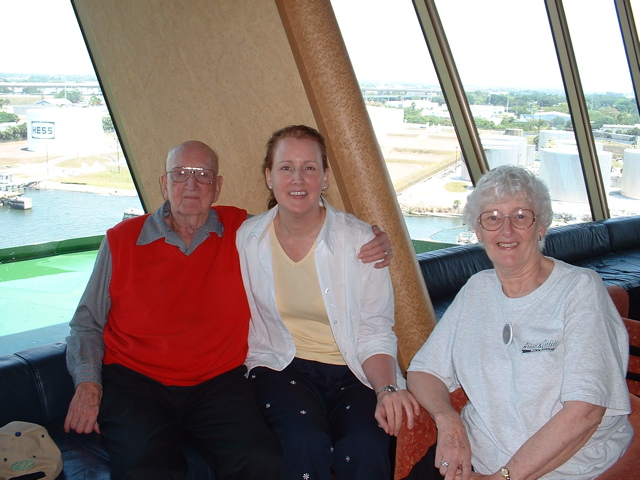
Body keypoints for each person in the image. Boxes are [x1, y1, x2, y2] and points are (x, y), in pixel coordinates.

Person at [63, 139, 393, 480]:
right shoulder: (121, 240)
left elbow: (298, 224)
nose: (191, 185)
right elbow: (86, 324)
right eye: (180, 174)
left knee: (263, 462)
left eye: (203, 175)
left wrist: (373, 242)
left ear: (217, 186)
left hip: (217, 384)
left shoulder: (242, 231)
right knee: (147, 470)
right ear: (164, 184)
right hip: (137, 383)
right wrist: (88, 384)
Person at [405, 164, 633, 480]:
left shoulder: (580, 289)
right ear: (478, 230)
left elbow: (585, 412)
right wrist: (449, 421)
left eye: (521, 216)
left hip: (562, 469)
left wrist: (502, 478)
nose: (506, 230)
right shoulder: (477, 289)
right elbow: (425, 370)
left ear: (541, 226)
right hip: (477, 459)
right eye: (493, 218)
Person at [236, 125, 420, 480]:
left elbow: (375, 329)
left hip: (353, 369)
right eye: (286, 167)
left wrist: (386, 390)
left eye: (310, 167)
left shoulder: (360, 242)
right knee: (305, 441)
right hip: (279, 364)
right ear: (269, 177)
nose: (298, 178)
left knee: (364, 445)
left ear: (325, 178)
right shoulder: (247, 238)